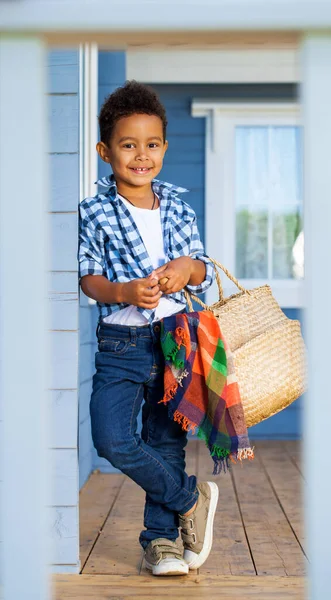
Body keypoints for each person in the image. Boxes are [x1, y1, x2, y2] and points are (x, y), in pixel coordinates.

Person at [78, 80, 219, 576]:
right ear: (104, 151)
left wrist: (185, 268)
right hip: (121, 341)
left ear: (163, 147)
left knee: (164, 440)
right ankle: (189, 497)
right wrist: (123, 292)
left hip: (175, 336)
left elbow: (202, 267)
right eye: (128, 144)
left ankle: (160, 542)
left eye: (152, 144)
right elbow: (89, 276)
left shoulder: (178, 207)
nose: (142, 155)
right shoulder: (94, 211)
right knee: (112, 438)